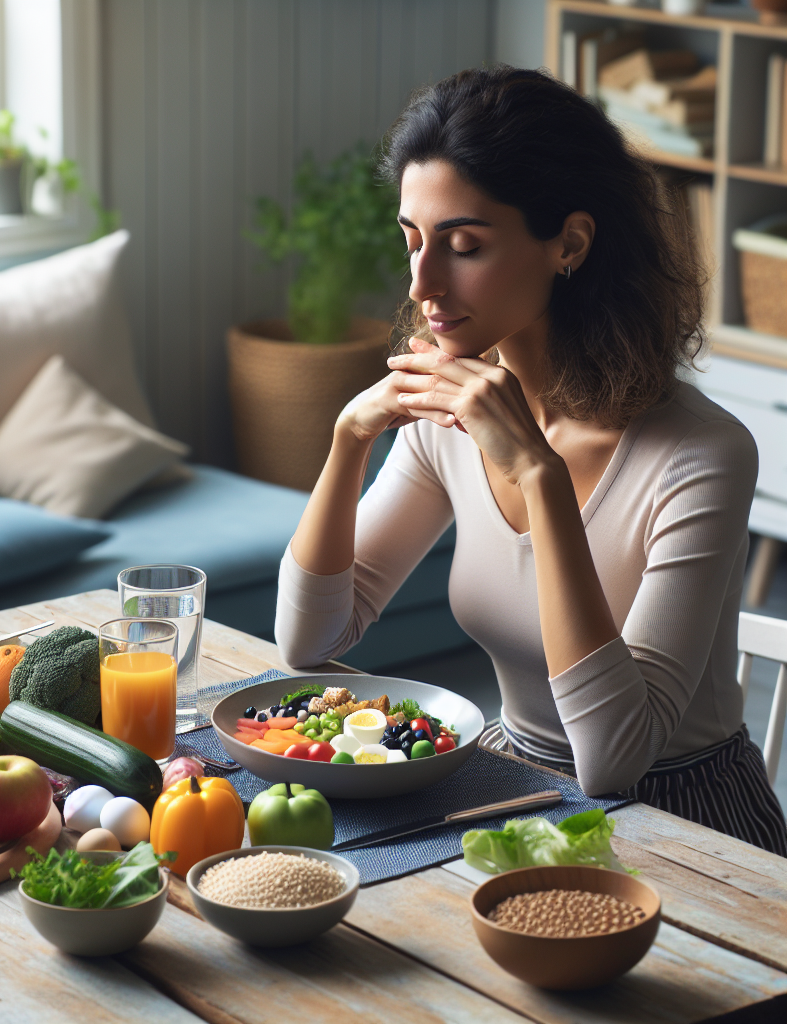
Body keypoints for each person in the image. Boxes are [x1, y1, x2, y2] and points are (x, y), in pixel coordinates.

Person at [274, 66, 787, 855]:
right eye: (413, 241)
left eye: (465, 246)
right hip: (512, 789)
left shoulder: (700, 454)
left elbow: (614, 760)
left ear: (569, 243)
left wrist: (541, 480)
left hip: (685, 823)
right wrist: (349, 441)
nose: (423, 283)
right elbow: (308, 642)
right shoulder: (447, 418)